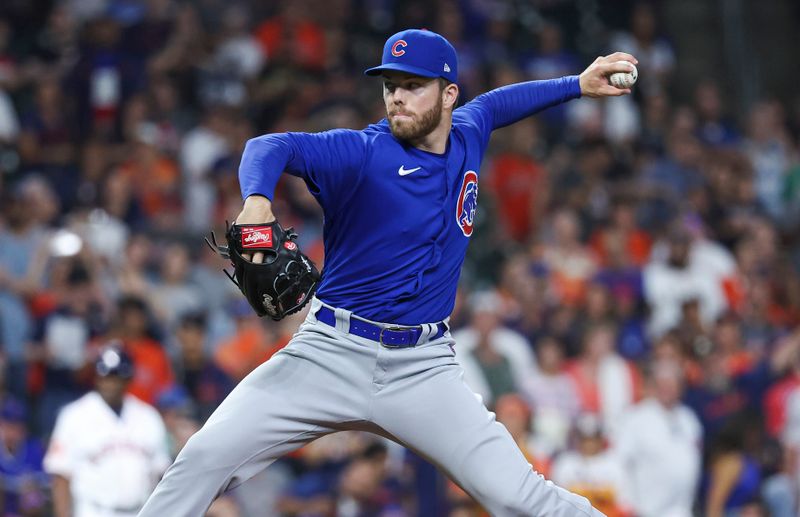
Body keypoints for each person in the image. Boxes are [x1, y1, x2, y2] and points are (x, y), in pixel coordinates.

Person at [139, 28, 637, 516]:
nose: (397, 98)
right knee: (202, 460)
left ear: (448, 95)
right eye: (390, 86)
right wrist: (256, 199)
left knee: (518, 497)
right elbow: (270, 146)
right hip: (329, 353)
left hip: (423, 368)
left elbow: (500, 103)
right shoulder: (361, 152)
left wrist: (576, 84)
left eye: (413, 85)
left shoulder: (467, 132)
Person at [44, 344, 170, 517]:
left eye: (117, 376)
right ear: (97, 377)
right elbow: (61, 476)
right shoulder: (74, 415)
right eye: (106, 376)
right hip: (94, 511)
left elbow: (161, 475)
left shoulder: (148, 417)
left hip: (141, 511)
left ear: (128, 378)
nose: (111, 383)